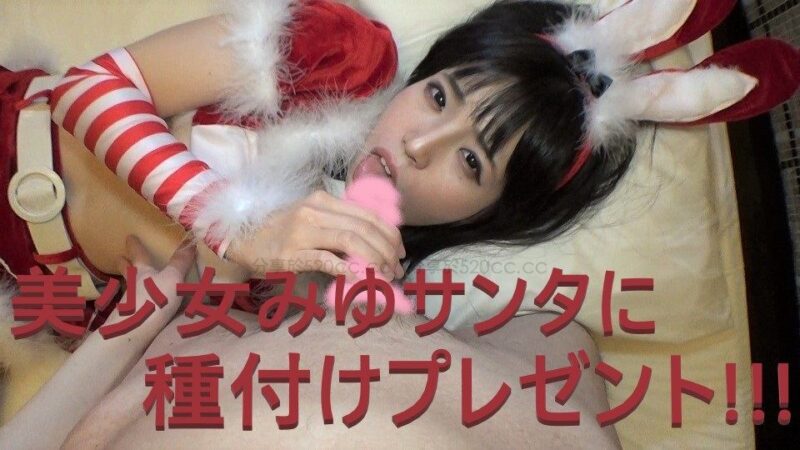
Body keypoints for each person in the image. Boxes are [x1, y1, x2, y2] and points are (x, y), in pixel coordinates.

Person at [0, 0, 797, 446]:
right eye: (441, 95)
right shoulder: (332, 58)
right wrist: (234, 227)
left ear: (489, 212)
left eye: (471, 162)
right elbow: (88, 91)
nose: (420, 141)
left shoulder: (347, 287)